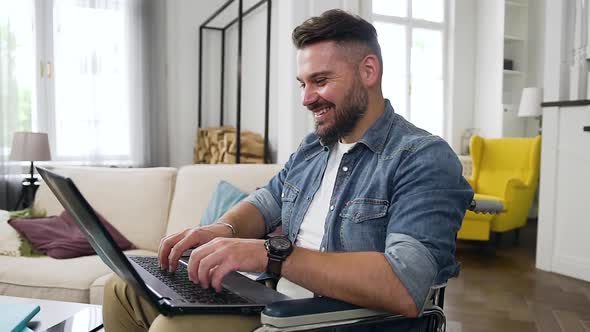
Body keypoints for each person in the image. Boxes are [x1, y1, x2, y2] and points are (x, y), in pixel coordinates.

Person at [103, 9, 473, 332]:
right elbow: (266, 201)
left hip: (338, 322)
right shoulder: (315, 147)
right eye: (303, 83)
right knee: (121, 289)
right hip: (273, 302)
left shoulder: (423, 158)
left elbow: (405, 286)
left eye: (321, 80)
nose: (306, 98)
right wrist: (221, 229)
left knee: (173, 327)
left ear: (368, 71)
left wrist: (269, 255)